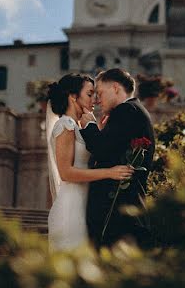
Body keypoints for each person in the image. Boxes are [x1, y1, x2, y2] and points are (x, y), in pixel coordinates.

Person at [45, 73, 133, 251]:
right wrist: (110, 172)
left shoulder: (78, 127)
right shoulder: (65, 125)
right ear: (73, 96)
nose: (95, 99)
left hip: (84, 206)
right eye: (89, 94)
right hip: (71, 208)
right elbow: (66, 172)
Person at [80, 68, 156, 247]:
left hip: (117, 214)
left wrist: (89, 125)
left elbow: (101, 150)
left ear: (115, 88)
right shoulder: (134, 111)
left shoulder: (126, 111)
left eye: (99, 93)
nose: (97, 100)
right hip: (123, 211)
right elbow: (112, 152)